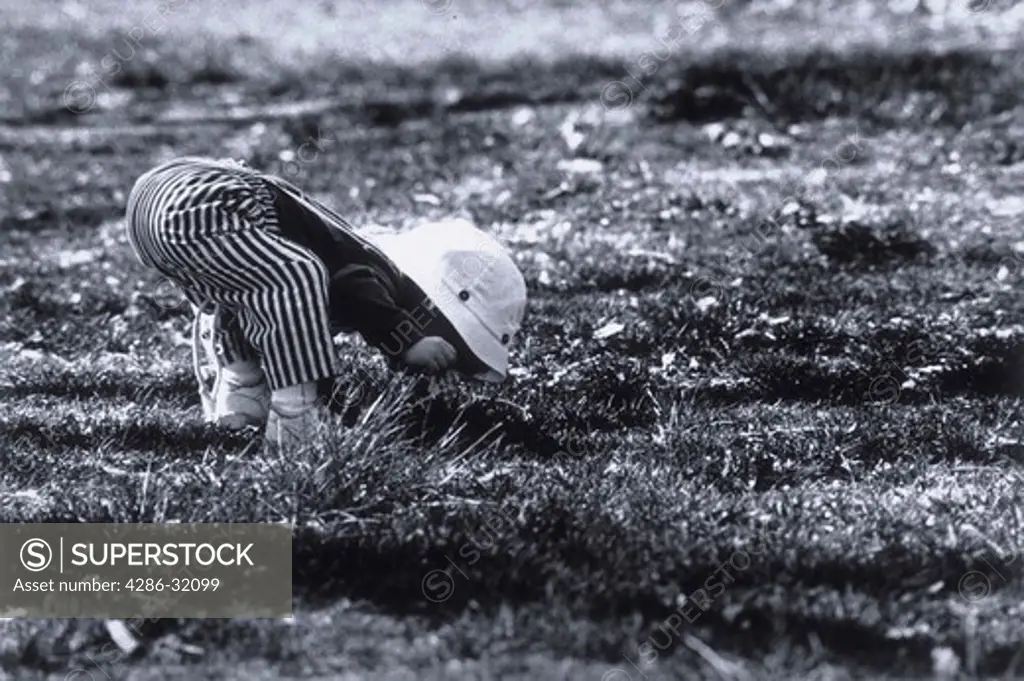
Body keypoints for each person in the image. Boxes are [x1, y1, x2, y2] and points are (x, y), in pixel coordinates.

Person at [124, 156, 527, 447]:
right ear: (435, 306)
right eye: (454, 350)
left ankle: (242, 393)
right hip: (197, 205)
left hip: (152, 203)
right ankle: (296, 416)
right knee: (296, 276)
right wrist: (406, 343)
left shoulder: (349, 248)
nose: (442, 367)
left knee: (248, 292)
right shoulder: (381, 272)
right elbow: (357, 290)